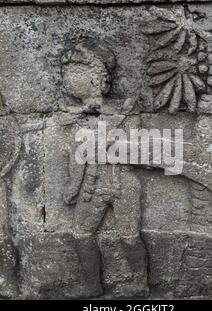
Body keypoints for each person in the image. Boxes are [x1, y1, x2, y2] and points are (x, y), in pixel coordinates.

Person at [61, 40, 149, 297]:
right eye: (66, 74)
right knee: (80, 235)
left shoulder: (125, 109)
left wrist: (105, 141)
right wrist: (73, 187)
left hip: (123, 184)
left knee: (130, 237)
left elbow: (136, 149)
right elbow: (77, 158)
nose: (68, 80)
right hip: (92, 186)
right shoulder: (76, 115)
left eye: (76, 73)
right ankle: (90, 285)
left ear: (97, 77)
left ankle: (139, 282)